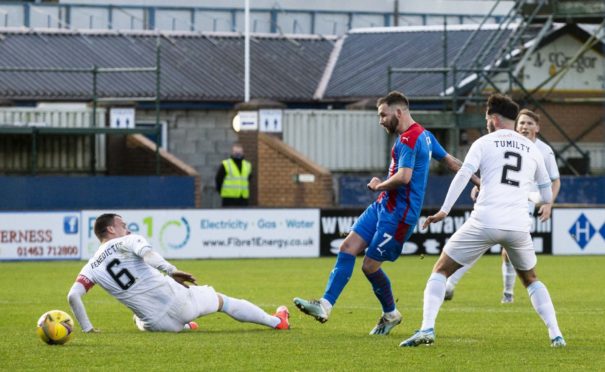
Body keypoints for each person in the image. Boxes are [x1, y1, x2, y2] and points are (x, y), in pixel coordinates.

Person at [293, 91, 478, 335]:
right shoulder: (425, 136)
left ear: (398, 112)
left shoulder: (412, 139)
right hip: (383, 207)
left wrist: (378, 185)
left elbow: (404, 177)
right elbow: (452, 161)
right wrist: (478, 181)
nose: (380, 120)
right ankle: (325, 305)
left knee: (369, 266)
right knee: (347, 248)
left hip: (400, 215)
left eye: (383, 114)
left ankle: (390, 313)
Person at [400, 94, 565, 348]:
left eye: (487, 118)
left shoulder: (484, 142)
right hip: (518, 225)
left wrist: (444, 210)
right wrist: (527, 194)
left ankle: (426, 329)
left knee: (441, 270)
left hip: (485, 220)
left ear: (494, 119)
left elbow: (463, 175)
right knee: (531, 279)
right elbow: (544, 195)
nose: (486, 122)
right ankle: (556, 335)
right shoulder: (533, 149)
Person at [67, 213, 289, 333]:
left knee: (138, 317)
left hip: (157, 325)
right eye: (123, 225)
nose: (128, 229)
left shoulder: (91, 266)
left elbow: (73, 296)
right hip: (180, 302)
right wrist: (171, 271)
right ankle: (276, 322)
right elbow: (148, 255)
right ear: (111, 230)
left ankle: (184, 325)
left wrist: (87, 329)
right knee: (224, 302)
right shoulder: (127, 240)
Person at [443, 109, 561, 303]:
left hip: (523, 204)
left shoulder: (544, 150)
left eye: (529, 123)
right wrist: (480, 184)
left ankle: (508, 293)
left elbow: (555, 181)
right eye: (522, 123)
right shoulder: (506, 143)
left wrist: (548, 203)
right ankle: (450, 284)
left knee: (507, 251)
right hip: (497, 201)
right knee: (480, 243)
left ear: (537, 128)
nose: (525, 127)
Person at [215, 142, 252, 207]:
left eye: (239, 152)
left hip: (243, 198)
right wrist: (221, 191)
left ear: (243, 153)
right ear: (232, 153)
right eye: (235, 152)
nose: (238, 154)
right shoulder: (226, 164)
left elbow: (249, 179)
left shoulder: (247, 165)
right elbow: (219, 179)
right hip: (229, 198)